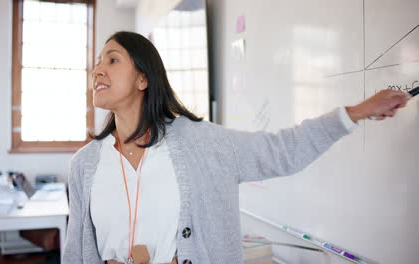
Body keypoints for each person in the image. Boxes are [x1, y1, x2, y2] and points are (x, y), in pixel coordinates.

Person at [61, 31, 411, 264]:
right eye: (96, 63)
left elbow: (282, 150)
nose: (97, 70)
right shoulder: (85, 164)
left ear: (143, 78)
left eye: (112, 59)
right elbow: (76, 250)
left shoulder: (202, 144)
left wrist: (357, 112)